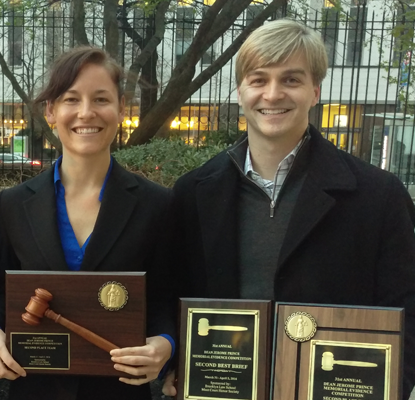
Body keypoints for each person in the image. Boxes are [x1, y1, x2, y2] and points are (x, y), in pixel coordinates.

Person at [173, 19, 415, 396]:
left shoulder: (379, 196)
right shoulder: (193, 193)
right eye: (259, 79)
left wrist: (388, 387)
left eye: (291, 80)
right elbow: (176, 294)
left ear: (315, 91)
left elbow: (406, 310)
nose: (272, 94)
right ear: (240, 91)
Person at [0, 46, 177, 400]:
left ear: (121, 109)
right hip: (35, 389)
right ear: (51, 111)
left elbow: (166, 297)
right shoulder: (12, 205)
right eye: (71, 99)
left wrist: (165, 344)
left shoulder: (155, 205)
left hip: (120, 392)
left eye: (101, 99)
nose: (86, 113)